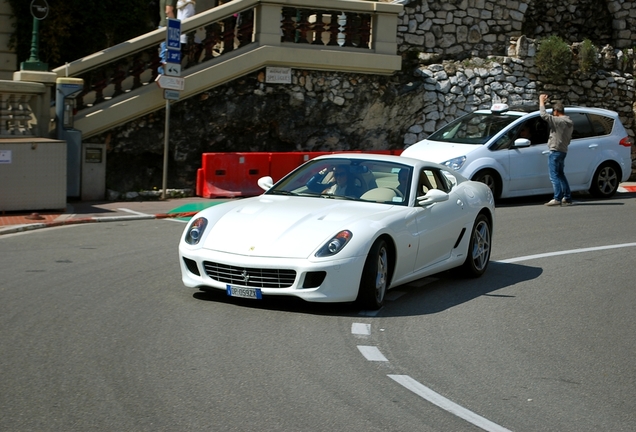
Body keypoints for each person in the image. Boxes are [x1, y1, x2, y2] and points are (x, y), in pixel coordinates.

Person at [540, 93, 574, 206]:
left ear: (556, 112)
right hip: (563, 150)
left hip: (555, 150)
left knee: (554, 175)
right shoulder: (569, 123)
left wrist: (541, 101)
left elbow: (544, 115)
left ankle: (557, 198)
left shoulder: (558, 121)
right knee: (560, 174)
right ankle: (567, 197)